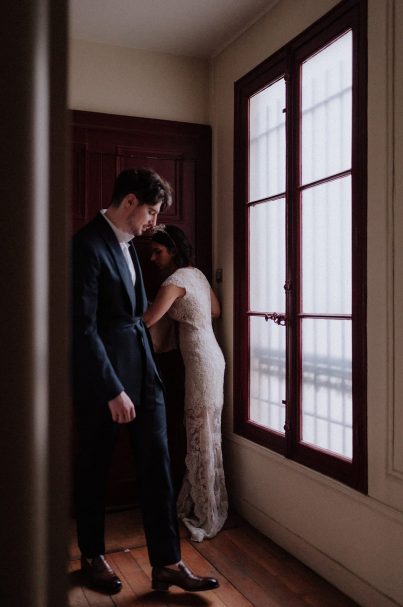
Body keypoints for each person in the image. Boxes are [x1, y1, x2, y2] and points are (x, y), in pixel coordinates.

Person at [72, 168, 219, 595]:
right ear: (130, 201)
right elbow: (83, 328)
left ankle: (168, 563)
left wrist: (146, 374)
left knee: (158, 465)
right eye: (151, 211)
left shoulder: (130, 246)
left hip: (145, 372)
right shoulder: (86, 245)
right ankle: (92, 555)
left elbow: (137, 315)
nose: (153, 222)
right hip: (106, 381)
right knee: (95, 466)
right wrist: (112, 388)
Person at [143, 224, 228, 542]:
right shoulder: (197, 275)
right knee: (206, 431)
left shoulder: (174, 281)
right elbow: (216, 311)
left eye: (157, 251)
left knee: (199, 431)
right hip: (212, 356)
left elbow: (149, 320)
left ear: (173, 251)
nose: (152, 257)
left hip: (202, 364)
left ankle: (207, 513)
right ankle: (202, 501)